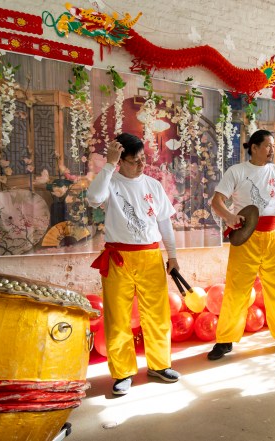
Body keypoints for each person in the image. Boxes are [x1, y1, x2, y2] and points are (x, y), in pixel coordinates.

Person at [87, 133, 181, 395]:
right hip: (119, 258)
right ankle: (122, 373)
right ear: (120, 160)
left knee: (158, 316)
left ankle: (159, 365)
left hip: (151, 257)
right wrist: (108, 165)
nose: (141, 165)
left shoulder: (153, 185)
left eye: (143, 159)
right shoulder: (110, 181)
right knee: (118, 317)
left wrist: (172, 256)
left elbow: (165, 223)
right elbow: (93, 198)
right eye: (134, 160)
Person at [208, 129, 275, 360]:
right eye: (268, 145)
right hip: (246, 237)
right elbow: (217, 201)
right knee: (236, 290)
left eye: (273, 146)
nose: (272, 150)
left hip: (273, 237)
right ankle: (224, 341)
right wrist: (229, 217)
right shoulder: (237, 171)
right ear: (253, 147)